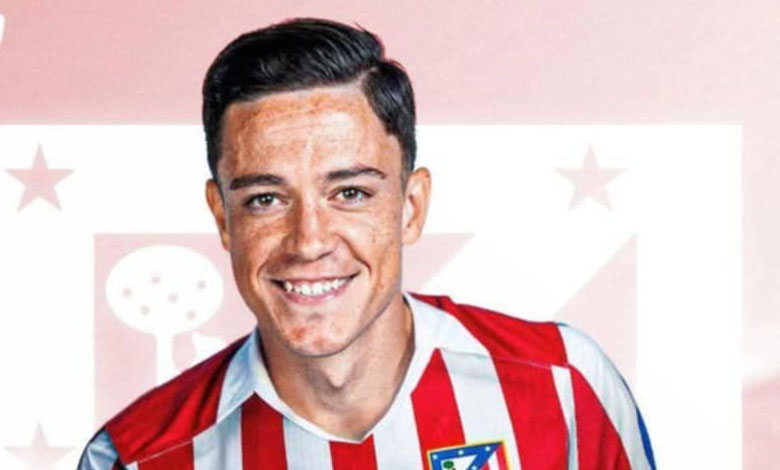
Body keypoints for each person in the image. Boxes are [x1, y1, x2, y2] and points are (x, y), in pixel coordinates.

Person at [79, 18, 656, 470]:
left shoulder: (564, 384)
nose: (309, 241)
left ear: (411, 206)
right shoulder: (135, 458)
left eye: (350, 193)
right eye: (266, 199)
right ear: (223, 218)